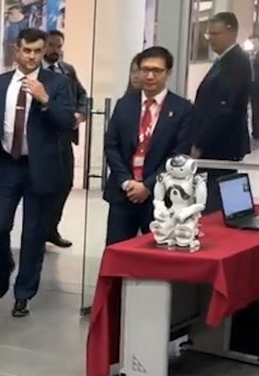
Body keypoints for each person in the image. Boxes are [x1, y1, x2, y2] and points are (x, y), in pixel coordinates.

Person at [0, 27, 74, 319]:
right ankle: (4, 268)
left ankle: (24, 293)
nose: (31, 57)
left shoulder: (57, 83)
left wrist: (45, 100)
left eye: (37, 51)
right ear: (16, 51)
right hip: (7, 164)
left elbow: (66, 121)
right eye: (26, 51)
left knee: (33, 234)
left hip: (40, 167)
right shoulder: (0, 83)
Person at [102, 46, 193, 246]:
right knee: (117, 252)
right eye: (145, 70)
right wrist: (127, 182)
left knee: (157, 255)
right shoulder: (124, 104)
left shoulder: (182, 109)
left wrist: (148, 186)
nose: (150, 76)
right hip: (123, 194)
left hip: (160, 197)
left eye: (157, 71)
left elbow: (178, 155)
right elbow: (111, 145)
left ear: (168, 73)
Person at [191, 12, 251, 212]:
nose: (211, 39)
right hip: (216, 145)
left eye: (215, 34)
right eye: (209, 34)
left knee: (217, 200)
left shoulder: (237, 62)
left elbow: (222, 109)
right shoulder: (223, 61)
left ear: (231, 32)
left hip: (221, 145)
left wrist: (200, 143)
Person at [40, 30, 89, 249]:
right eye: (51, 45)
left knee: (65, 183)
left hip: (63, 138)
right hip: (41, 137)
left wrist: (81, 114)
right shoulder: (36, 72)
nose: (55, 50)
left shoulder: (67, 70)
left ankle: (51, 229)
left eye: (59, 46)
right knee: (42, 186)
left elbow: (82, 95)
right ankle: (39, 231)